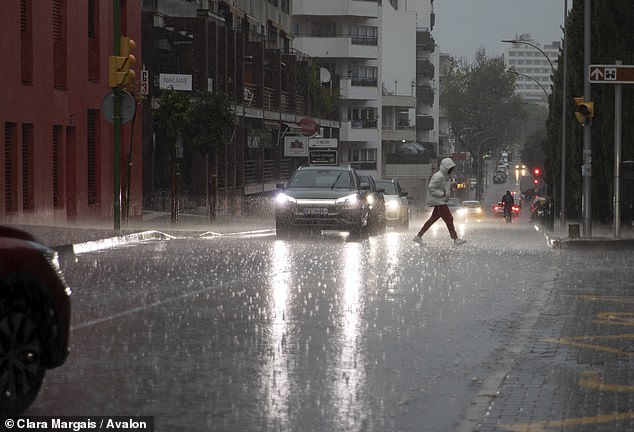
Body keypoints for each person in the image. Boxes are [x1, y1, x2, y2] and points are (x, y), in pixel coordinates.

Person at [413, 158, 466, 246]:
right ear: (446, 168)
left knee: (432, 220)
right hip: (439, 201)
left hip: (441, 201)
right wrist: (441, 194)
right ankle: (455, 238)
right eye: (450, 168)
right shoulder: (439, 176)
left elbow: (442, 186)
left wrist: (451, 186)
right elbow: (431, 187)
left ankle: (418, 236)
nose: (451, 170)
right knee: (449, 219)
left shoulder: (445, 177)